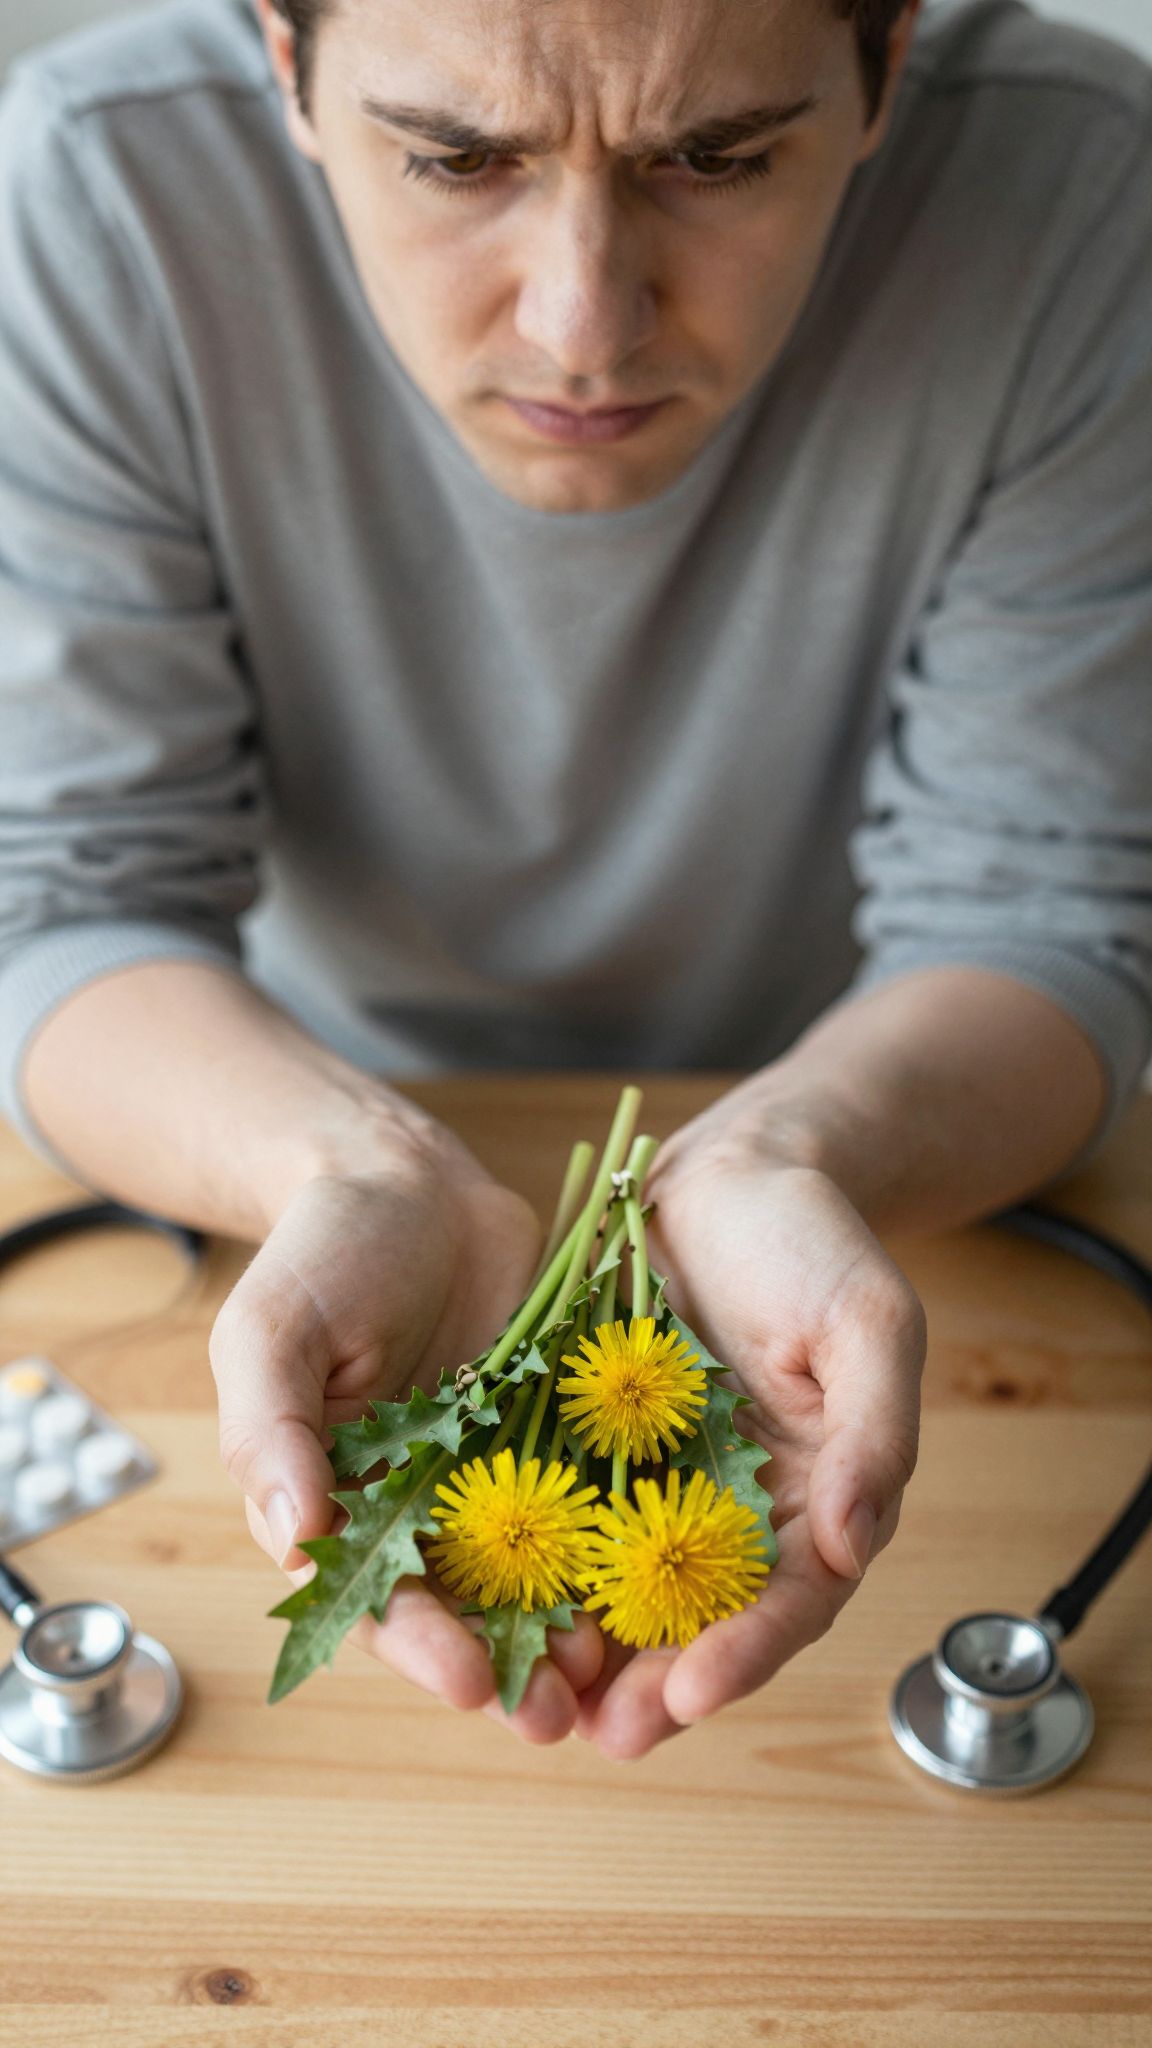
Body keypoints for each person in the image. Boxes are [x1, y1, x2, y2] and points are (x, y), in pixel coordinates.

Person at [0, 0, 1149, 1760]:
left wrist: (792, 1152)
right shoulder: (99, 189)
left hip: (901, 1131)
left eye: (721, 159)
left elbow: (1050, 914)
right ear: (285, 62)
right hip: (261, 1088)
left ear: (888, 63)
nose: (582, 324)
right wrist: (341, 1162)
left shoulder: (1081, 184)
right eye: (455, 160)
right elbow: (69, 897)